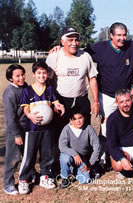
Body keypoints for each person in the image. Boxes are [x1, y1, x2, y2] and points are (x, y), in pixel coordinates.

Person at [84, 17, 133, 138]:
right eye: (118, 35)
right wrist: (60, 47)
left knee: (127, 123)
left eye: (124, 35)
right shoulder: (100, 48)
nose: (122, 38)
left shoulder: (131, 47)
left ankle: (124, 148)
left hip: (126, 94)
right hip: (106, 95)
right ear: (111, 35)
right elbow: (82, 54)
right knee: (107, 125)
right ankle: (105, 152)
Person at [46, 26, 99, 175]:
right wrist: (54, 102)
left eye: (76, 39)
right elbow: (47, 83)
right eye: (70, 39)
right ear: (62, 41)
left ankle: (85, 165)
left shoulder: (85, 56)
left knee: (83, 134)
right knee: (59, 135)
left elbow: (92, 78)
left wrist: (95, 101)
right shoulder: (54, 56)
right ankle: (57, 166)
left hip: (81, 99)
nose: (74, 43)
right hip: (61, 100)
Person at [18, 62, 65, 194]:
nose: (42, 75)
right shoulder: (27, 90)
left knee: (47, 153)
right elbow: (26, 108)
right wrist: (30, 115)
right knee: (29, 154)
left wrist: (59, 106)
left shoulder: (50, 89)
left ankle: (45, 176)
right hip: (32, 128)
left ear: (48, 74)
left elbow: (56, 103)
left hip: (48, 128)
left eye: (44, 73)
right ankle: (24, 180)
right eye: (39, 73)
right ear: (33, 74)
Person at [59, 107, 100, 189]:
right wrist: (74, 154)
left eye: (80, 118)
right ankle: (65, 178)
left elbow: (97, 146)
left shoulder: (88, 129)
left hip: (82, 158)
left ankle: (74, 171)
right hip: (69, 156)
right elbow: (62, 146)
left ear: (84, 118)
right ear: (71, 120)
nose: (78, 121)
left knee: (85, 180)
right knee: (65, 158)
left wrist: (91, 163)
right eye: (75, 119)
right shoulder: (67, 129)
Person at [2, 65, 28, 195]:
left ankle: (29, 175)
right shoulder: (10, 93)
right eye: (17, 76)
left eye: (22, 74)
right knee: (13, 157)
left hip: (27, 128)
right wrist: (17, 135)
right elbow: (10, 118)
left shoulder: (26, 87)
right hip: (15, 131)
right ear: (10, 78)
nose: (21, 78)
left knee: (27, 154)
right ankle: (8, 183)